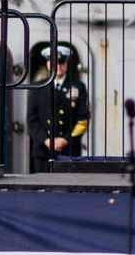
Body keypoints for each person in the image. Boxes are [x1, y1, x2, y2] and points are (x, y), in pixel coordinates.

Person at [26, 44, 89, 172]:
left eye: (61, 62)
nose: (58, 66)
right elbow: (32, 119)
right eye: (54, 62)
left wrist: (66, 139)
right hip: (43, 151)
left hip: (69, 150)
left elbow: (83, 119)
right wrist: (45, 140)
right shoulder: (37, 87)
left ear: (66, 63)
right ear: (48, 63)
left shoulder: (78, 87)